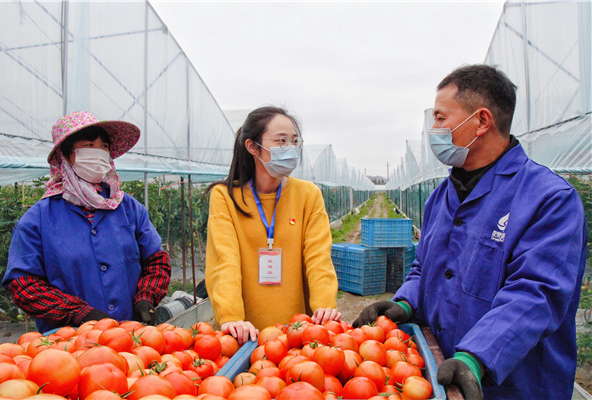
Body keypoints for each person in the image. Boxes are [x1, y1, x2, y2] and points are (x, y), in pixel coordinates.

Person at [353, 65, 587, 400]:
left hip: (518, 387)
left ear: (481, 121)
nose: (434, 130)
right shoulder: (440, 198)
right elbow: (425, 269)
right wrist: (405, 302)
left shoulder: (548, 199)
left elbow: (537, 293)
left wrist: (476, 356)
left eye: (440, 118)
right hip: (446, 374)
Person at [2, 111, 171, 333]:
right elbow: (23, 285)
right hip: (69, 343)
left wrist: (146, 297)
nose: (99, 153)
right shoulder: (37, 220)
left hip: (131, 336)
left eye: (104, 147)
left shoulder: (129, 208)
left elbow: (156, 261)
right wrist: (79, 313)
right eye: (89, 145)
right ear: (66, 155)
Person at [205, 106, 341, 344]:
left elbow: (319, 258)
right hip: (245, 336)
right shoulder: (225, 197)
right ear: (252, 146)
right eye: (281, 141)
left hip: (299, 334)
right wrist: (230, 316)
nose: (290, 148)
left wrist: (324, 306)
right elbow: (224, 261)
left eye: (294, 141)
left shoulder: (308, 195)